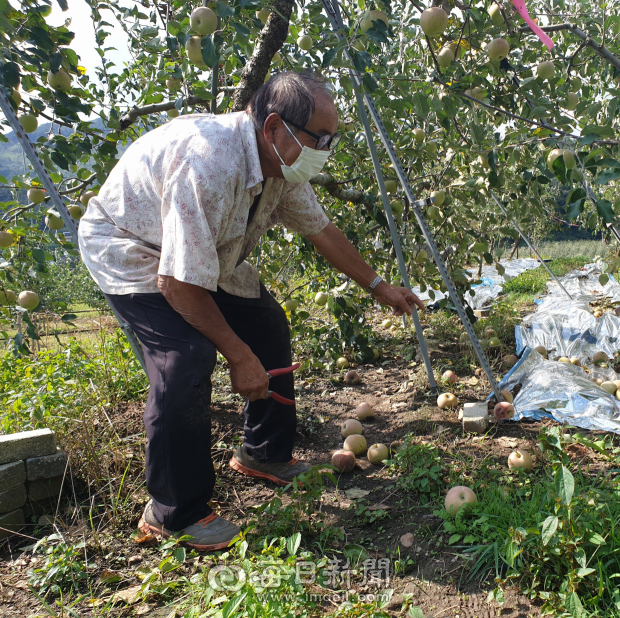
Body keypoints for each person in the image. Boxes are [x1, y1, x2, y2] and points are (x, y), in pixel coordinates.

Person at [78, 70, 424, 551]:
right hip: (134, 250)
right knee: (185, 358)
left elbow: (320, 230)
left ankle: (263, 453)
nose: (327, 149)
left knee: (266, 324)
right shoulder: (210, 163)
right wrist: (238, 357)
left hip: (206, 254)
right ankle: (173, 513)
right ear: (275, 126)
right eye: (320, 138)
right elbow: (177, 282)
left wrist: (378, 284)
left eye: (333, 138)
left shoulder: (280, 164)